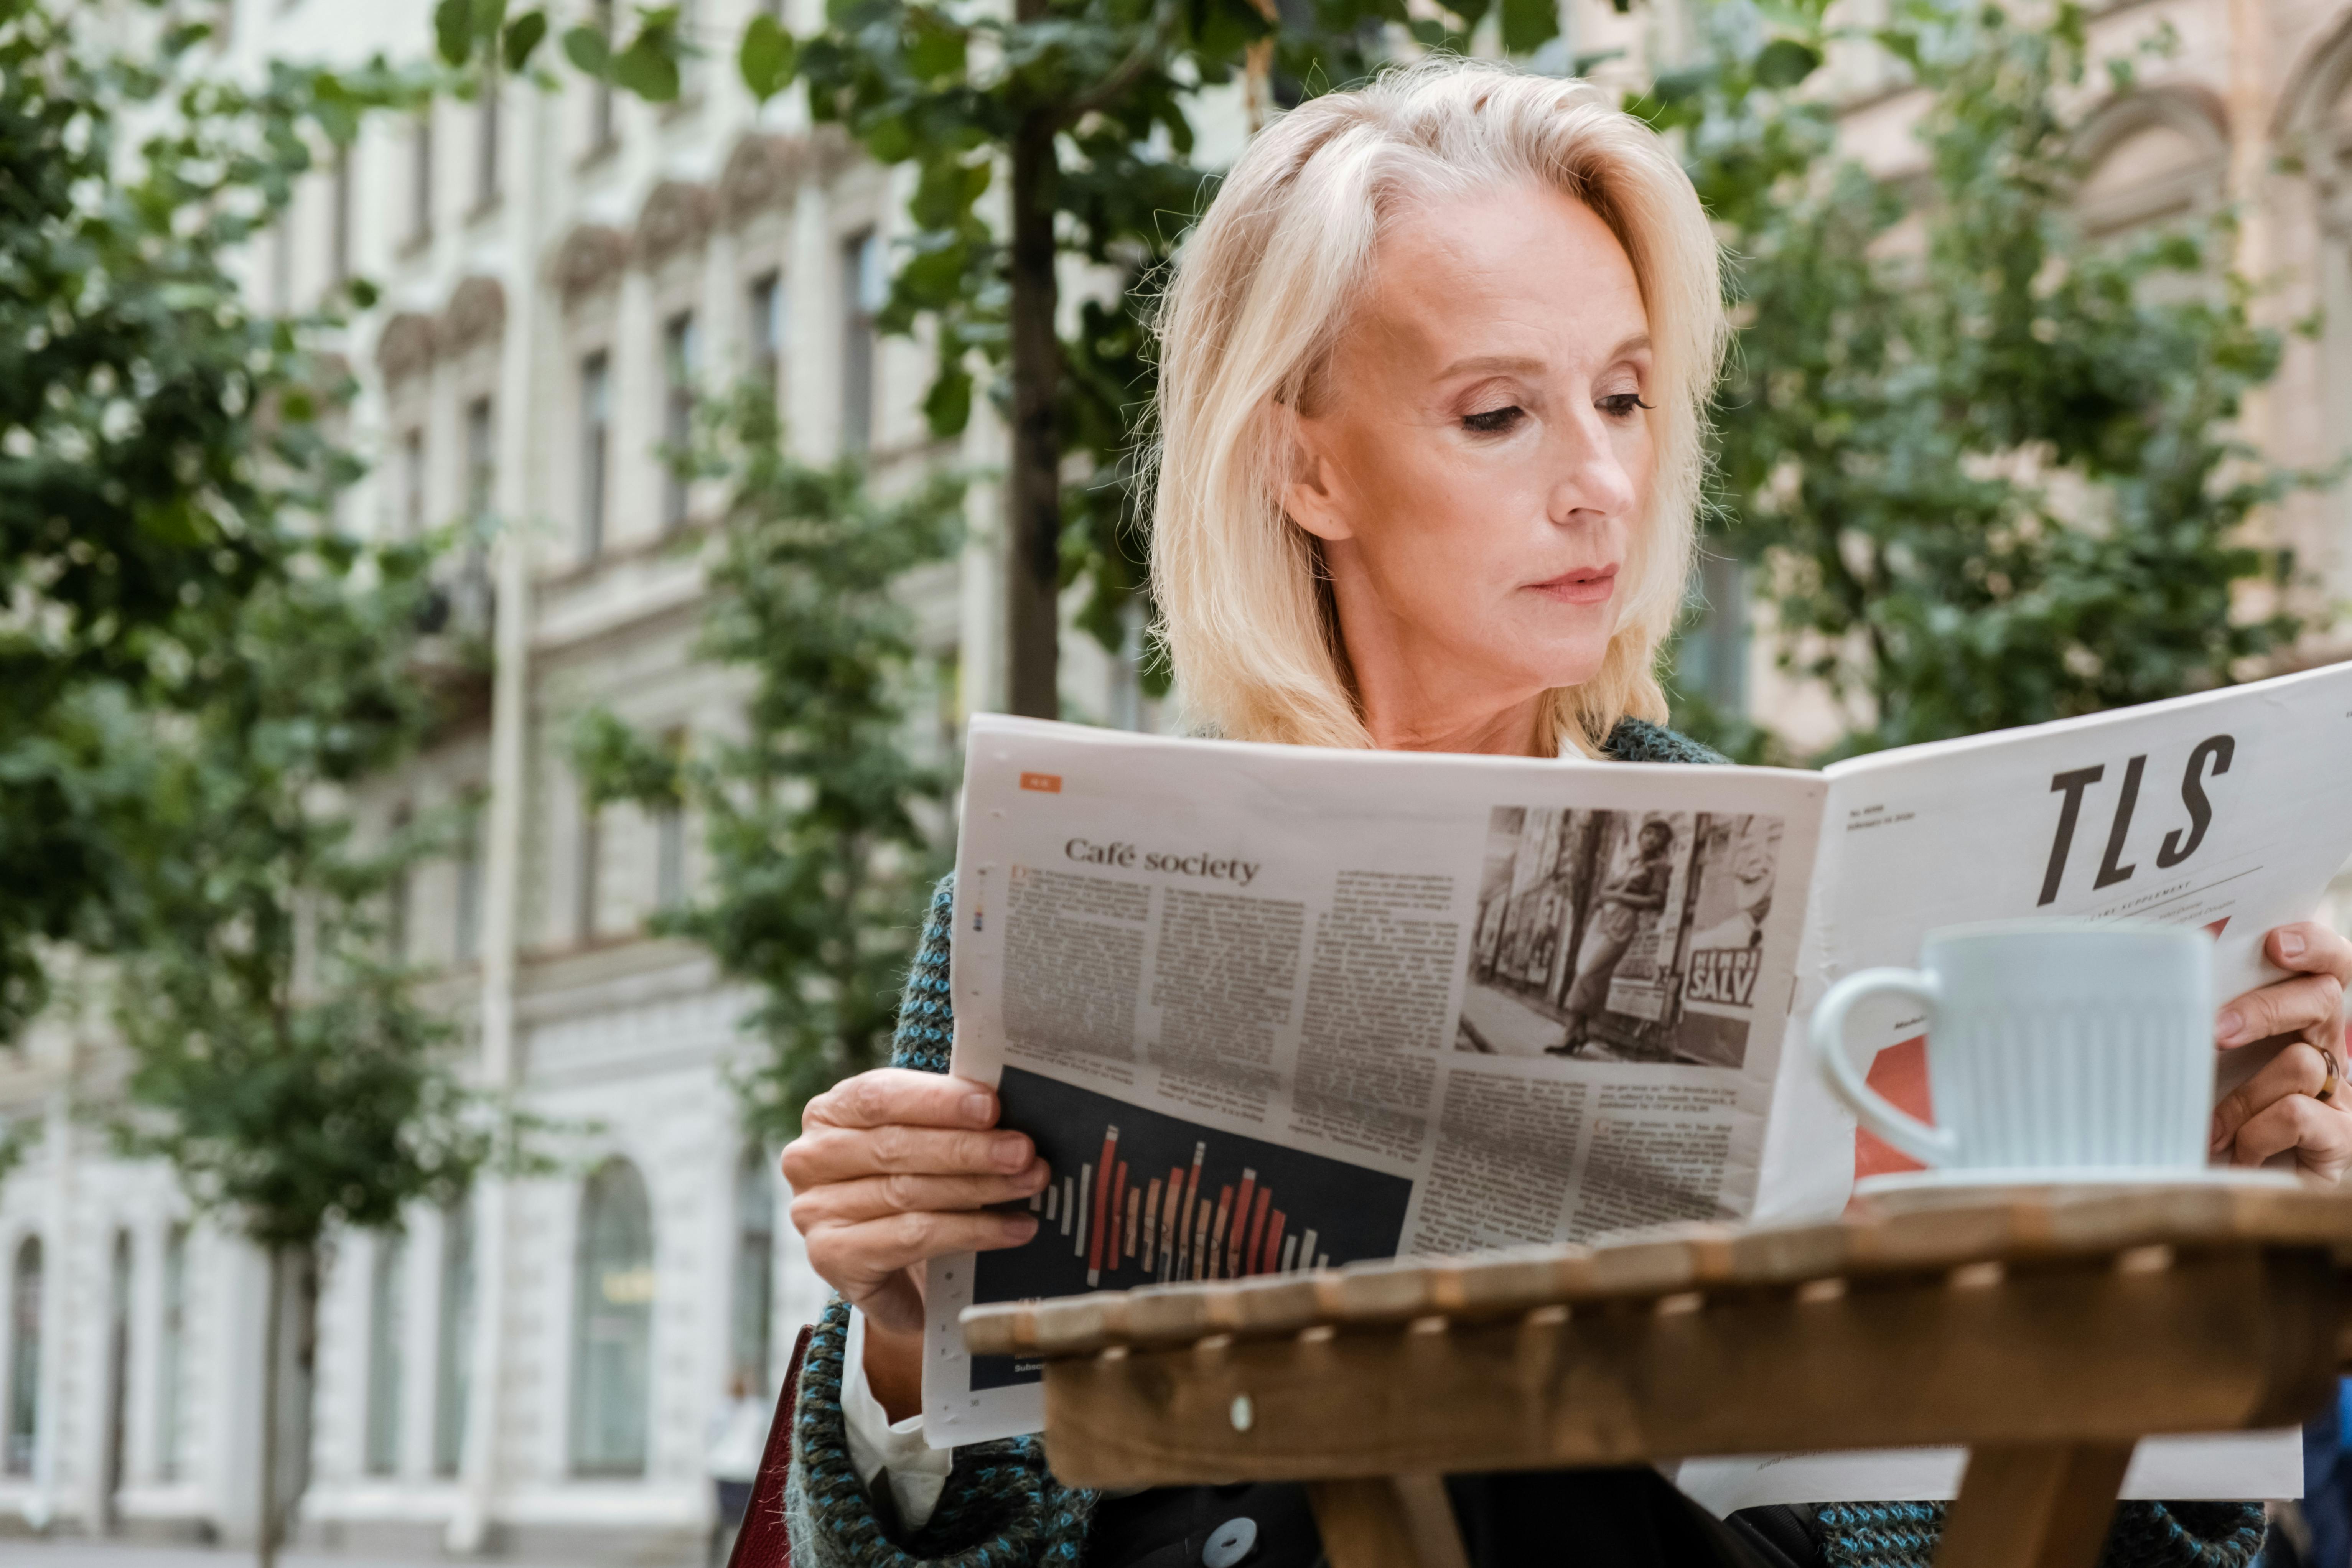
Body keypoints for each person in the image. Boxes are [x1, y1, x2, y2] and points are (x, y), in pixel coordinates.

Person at [777, 57, 2347, 1568]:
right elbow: (944, 1537)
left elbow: (2085, 1538)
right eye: (1496, 415)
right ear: (1303, 463)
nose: (1601, 477)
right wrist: (905, 1340)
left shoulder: (1819, 879)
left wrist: (2195, 1249)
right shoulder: (1054, 884)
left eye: (1624, 394)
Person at [1552, 816, 1677, 1057]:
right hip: (1603, 919)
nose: (1650, 838)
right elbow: (1606, 889)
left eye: (1658, 836)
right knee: (1587, 974)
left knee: (1590, 972)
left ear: (1664, 844)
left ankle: (1569, 1034)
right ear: (1641, 835)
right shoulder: (1632, 863)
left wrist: (1618, 898)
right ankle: (1580, 1033)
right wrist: (1605, 897)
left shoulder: (1659, 867)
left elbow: (1656, 901)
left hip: (1623, 923)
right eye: (1648, 832)